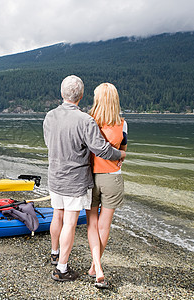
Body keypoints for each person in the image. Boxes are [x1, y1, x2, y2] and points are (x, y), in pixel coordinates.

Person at [43, 75, 126, 282]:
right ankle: (61, 268)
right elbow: (102, 150)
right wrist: (120, 155)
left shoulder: (49, 116)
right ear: (80, 96)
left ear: (62, 94)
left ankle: (55, 254)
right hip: (75, 180)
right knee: (70, 222)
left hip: (55, 176)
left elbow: (49, 143)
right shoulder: (84, 120)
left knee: (57, 215)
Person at [86, 82, 128, 289]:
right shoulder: (122, 123)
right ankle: (95, 267)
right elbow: (123, 151)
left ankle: (97, 266)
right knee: (104, 225)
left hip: (90, 177)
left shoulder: (89, 121)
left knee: (92, 223)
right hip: (112, 177)